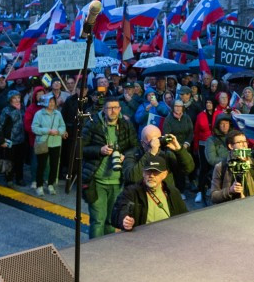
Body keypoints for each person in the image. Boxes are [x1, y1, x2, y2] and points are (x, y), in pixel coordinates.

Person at [80, 97, 128, 238]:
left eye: (116, 108)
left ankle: (108, 251)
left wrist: (126, 155)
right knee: (98, 220)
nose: (113, 111)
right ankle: (95, 253)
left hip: (117, 181)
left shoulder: (125, 125)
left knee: (111, 221)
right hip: (96, 180)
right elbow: (80, 148)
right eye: (109, 108)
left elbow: (135, 147)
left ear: (119, 109)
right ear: (104, 110)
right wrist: (99, 150)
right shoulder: (93, 124)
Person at [109, 153, 187, 231]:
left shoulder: (173, 192)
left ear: (164, 174)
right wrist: (124, 220)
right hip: (142, 238)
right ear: (143, 173)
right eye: (148, 171)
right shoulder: (131, 192)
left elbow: (184, 217)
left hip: (168, 234)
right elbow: (119, 211)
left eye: (156, 172)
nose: (151, 175)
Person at [210, 128, 254, 203]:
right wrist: (230, 190)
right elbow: (214, 197)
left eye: (245, 141)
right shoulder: (220, 167)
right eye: (240, 142)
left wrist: (248, 201)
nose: (244, 145)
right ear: (231, 146)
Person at [30, 92, 65, 195]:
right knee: (41, 165)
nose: (51, 103)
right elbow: (34, 128)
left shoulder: (58, 113)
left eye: (53, 101)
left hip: (56, 143)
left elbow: (63, 126)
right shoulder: (39, 114)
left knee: (54, 165)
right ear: (45, 102)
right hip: (43, 143)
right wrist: (47, 131)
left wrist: (58, 132)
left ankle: (50, 184)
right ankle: (39, 185)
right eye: (49, 101)